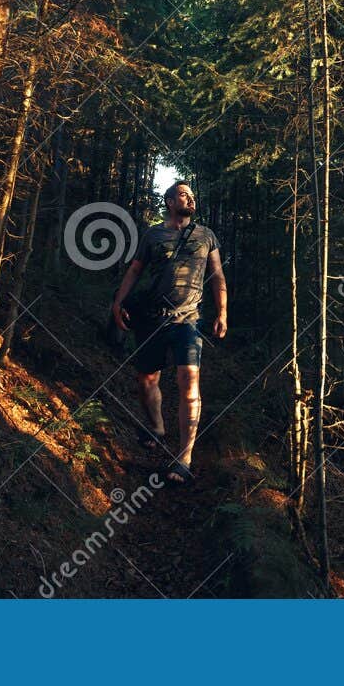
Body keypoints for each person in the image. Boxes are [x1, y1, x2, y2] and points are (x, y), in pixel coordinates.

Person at [111, 180, 227, 484]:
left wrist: (222, 312)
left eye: (191, 194)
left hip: (188, 320)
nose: (189, 198)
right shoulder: (153, 234)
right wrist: (118, 302)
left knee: (189, 381)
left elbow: (217, 276)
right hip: (152, 319)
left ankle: (184, 458)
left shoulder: (206, 235)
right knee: (146, 379)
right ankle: (158, 427)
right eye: (182, 194)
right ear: (168, 201)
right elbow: (135, 270)